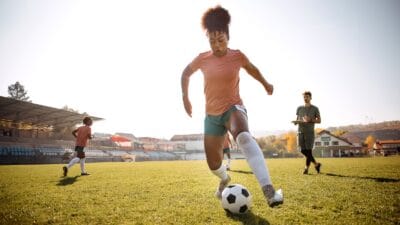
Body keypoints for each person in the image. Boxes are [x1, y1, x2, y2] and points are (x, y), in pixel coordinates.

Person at [181, 5, 283, 207]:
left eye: (220, 40)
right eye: (212, 41)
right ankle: (224, 179)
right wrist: (185, 98)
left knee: (244, 136)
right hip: (211, 116)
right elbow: (185, 73)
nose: (216, 45)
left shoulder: (237, 56)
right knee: (213, 164)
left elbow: (252, 69)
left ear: (228, 38)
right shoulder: (203, 59)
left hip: (233, 107)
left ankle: (270, 191)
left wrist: (265, 84)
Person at [292, 91, 322, 174]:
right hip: (300, 132)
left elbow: (319, 120)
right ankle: (316, 164)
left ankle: (306, 169)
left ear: (310, 98)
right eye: (304, 97)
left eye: (307, 97)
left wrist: (310, 120)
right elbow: (298, 118)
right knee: (302, 150)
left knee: (308, 151)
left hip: (309, 133)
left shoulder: (315, 108)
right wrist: (295, 122)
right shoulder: (299, 108)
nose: (305, 98)